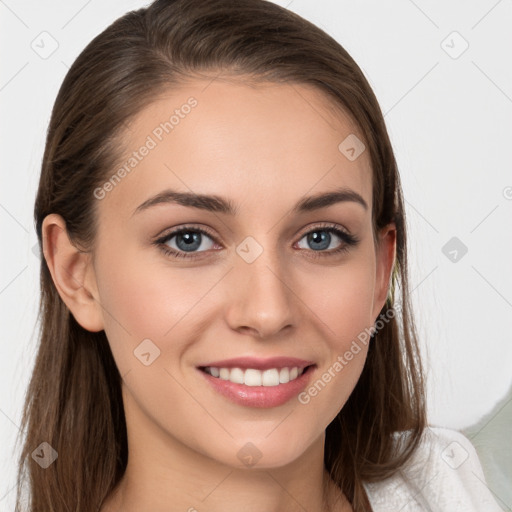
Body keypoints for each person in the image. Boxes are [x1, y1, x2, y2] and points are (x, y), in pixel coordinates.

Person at [15, 1, 503, 511]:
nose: (268, 312)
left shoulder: (455, 488)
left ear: (382, 271)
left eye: (321, 238)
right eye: (189, 240)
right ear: (77, 276)